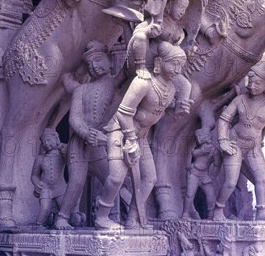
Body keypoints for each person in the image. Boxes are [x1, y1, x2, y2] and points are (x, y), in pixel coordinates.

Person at [94, 42, 190, 229]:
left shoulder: (170, 89)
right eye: (173, 64)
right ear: (159, 62)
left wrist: (177, 110)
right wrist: (130, 139)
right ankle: (101, 216)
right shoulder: (143, 83)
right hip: (121, 132)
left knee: (149, 178)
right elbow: (123, 112)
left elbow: (156, 111)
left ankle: (133, 219)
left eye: (180, 66)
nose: (176, 70)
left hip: (141, 137)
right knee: (116, 178)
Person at [212, 59, 265, 221]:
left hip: (253, 148)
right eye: (250, 81)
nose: (252, 85)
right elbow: (224, 119)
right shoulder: (240, 100)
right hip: (234, 143)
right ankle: (217, 210)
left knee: (262, 180)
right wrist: (223, 140)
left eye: (257, 82)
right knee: (230, 182)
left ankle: (262, 211)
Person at [54, 41, 122, 229]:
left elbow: (132, 66)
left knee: (112, 178)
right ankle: (62, 217)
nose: (95, 67)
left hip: (99, 146)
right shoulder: (81, 90)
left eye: (98, 60)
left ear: (110, 61)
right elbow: (74, 120)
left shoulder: (115, 84)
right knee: (76, 181)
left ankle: (108, 216)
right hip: (80, 145)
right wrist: (86, 133)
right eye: (90, 65)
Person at [31, 129, 68, 226]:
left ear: (56, 139)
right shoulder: (40, 158)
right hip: (46, 188)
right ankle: (38, 226)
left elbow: (71, 161)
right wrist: (36, 183)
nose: (47, 144)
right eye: (44, 142)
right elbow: (34, 175)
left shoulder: (61, 154)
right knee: (45, 209)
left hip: (60, 187)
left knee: (65, 210)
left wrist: (64, 149)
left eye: (49, 140)